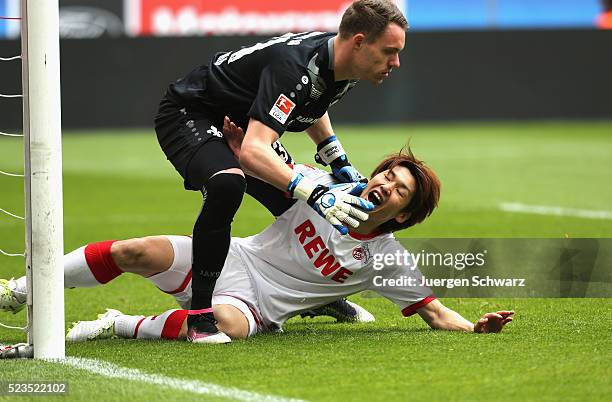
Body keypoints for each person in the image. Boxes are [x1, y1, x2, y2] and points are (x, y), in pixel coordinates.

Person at [23, 148, 510, 343]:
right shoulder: (324, 189)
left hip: (256, 305)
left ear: (403, 214)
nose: (385, 183)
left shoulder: (385, 260)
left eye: (399, 189)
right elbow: (268, 169)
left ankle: (117, 324)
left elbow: (437, 313)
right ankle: (23, 288)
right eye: (387, 173)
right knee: (135, 250)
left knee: (225, 328)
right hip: (230, 259)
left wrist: (475, 329)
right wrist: (242, 144)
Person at [155, 0, 407, 342]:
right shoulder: (296, 67)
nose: (396, 62)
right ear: (359, 42)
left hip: (244, 125)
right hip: (193, 113)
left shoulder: (343, 64)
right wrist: (314, 191)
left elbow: (313, 102)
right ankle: (201, 313)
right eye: (389, 51)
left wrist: (335, 157)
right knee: (229, 183)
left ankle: (317, 299)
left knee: (302, 197)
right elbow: (254, 151)